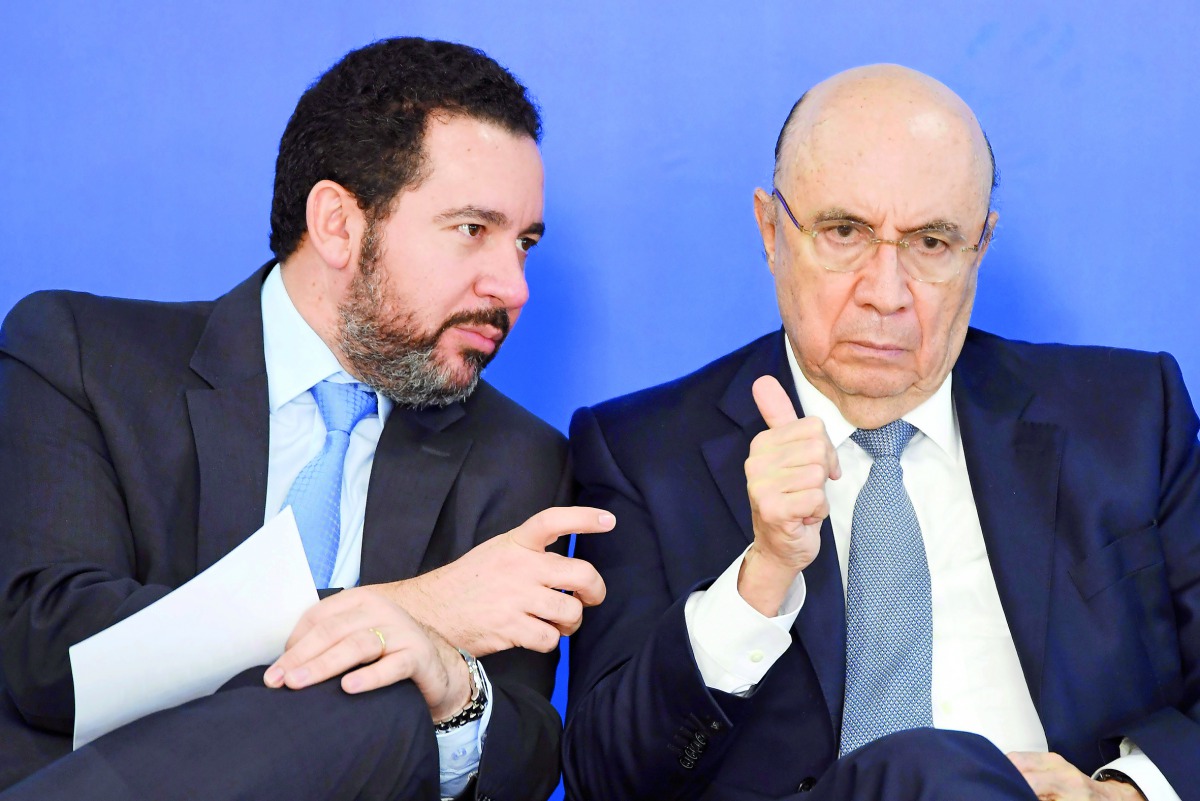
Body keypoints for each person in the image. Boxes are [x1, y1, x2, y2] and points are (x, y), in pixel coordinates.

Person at [565, 64, 1199, 801]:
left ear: (980, 248)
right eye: (844, 232)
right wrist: (760, 575)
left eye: (932, 243)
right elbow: (604, 778)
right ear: (772, 231)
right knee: (925, 771)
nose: (886, 294)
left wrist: (1125, 791)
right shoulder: (643, 451)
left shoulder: (1129, 413)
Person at [0, 36, 612, 801]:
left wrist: (452, 686)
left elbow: (521, 760)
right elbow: (50, 652)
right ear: (338, 225)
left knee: (393, 706)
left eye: (524, 243)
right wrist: (413, 611)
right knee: (383, 699)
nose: (514, 286)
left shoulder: (520, 460)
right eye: (472, 231)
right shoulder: (82, 355)